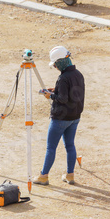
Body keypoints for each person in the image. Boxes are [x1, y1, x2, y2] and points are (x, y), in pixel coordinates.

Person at [33, 46, 85, 185]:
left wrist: (50, 95)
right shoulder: (78, 74)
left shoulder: (63, 78)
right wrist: (55, 90)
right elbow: (71, 92)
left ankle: (43, 176)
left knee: (51, 148)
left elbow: (62, 98)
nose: (55, 67)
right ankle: (70, 175)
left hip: (61, 118)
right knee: (70, 145)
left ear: (60, 62)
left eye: (55, 64)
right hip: (75, 117)